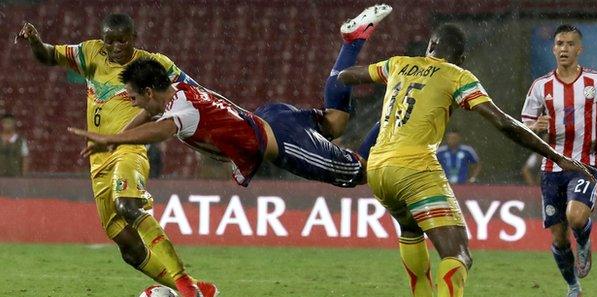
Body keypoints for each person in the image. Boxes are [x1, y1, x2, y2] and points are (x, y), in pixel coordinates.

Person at [338, 24, 593, 297]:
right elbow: (503, 122)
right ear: (460, 57)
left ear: (430, 45)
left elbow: (348, 76)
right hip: (415, 166)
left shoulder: (398, 63)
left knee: (410, 230)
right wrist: (557, 156)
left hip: (377, 166)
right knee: (458, 252)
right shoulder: (456, 75)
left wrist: (343, 77)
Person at [16, 14, 218, 297]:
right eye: (110, 40)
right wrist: (35, 41)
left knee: (128, 206)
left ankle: (183, 286)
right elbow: (48, 56)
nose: (115, 46)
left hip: (129, 149)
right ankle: (198, 289)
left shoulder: (153, 63)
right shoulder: (90, 52)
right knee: (128, 248)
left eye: (122, 40)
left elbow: (193, 90)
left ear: (134, 37)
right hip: (98, 160)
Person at [67, 5, 393, 190]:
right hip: (272, 118)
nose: (133, 104)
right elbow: (152, 117)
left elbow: (162, 129)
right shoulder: (177, 92)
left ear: (149, 91)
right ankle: (352, 41)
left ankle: (398, 109)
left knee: (357, 173)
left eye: (135, 98)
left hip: (282, 139)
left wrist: (112, 139)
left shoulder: (183, 110)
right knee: (336, 121)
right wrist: (120, 138)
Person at [521, 24, 597, 297]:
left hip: (584, 164)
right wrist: (535, 126)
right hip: (551, 168)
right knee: (558, 238)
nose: (564, 48)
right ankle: (572, 285)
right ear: (553, 48)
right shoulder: (541, 86)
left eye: (569, 44)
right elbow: (525, 124)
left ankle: (586, 240)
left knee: (576, 216)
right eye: (559, 43)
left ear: (580, 49)